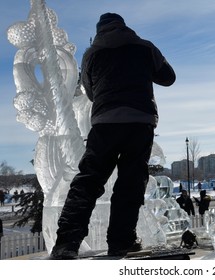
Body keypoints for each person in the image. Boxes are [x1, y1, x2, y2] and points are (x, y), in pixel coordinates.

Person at [50, 12, 176, 260]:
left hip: (105, 124)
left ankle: (66, 244)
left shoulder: (92, 54)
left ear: (99, 31)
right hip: (140, 122)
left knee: (88, 182)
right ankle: (122, 242)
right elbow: (168, 78)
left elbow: (90, 92)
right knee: (130, 183)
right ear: (123, 26)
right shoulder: (145, 47)